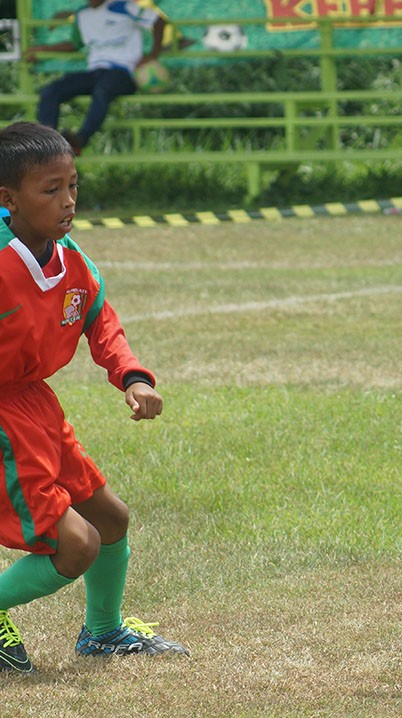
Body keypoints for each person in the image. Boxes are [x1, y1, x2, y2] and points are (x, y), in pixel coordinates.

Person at [0, 121, 188, 673]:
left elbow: (100, 321)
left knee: (110, 521)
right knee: (74, 545)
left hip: (36, 404)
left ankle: (102, 633)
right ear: (7, 199)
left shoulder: (71, 259)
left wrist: (133, 376)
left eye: (73, 186)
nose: (68, 202)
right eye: (50, 189)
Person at [23, 0, 166, 155]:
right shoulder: (82, 14)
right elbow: (74, 44)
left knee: (103, 89)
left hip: (124, 72)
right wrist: (42, 50)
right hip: (95, 72)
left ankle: (79, 140)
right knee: (50, 91)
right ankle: (49, 147)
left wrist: (153, 55)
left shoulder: (123, 6)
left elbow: (159, 21)